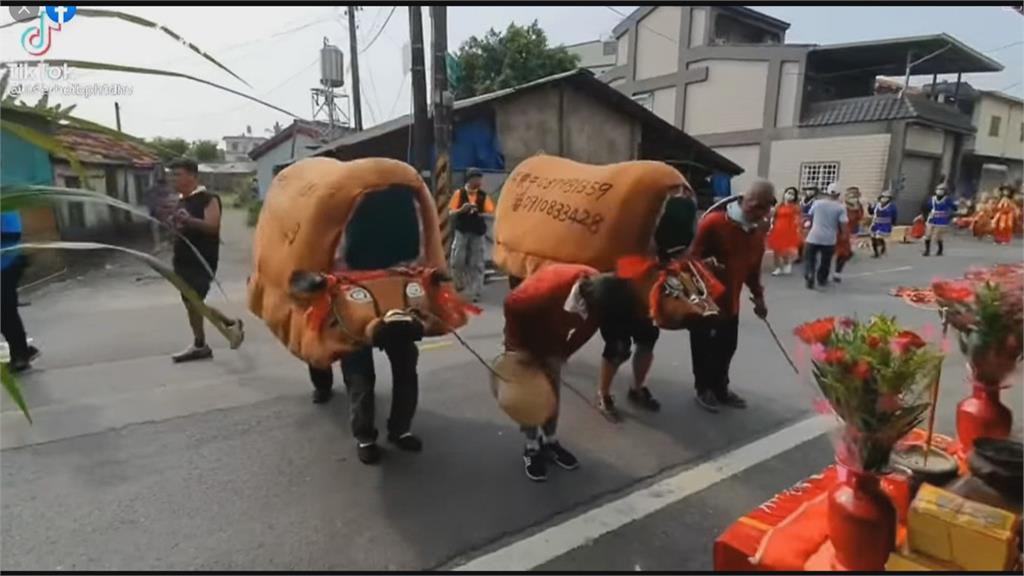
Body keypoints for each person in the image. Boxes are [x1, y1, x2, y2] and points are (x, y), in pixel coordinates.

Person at [306, 186, 427, 465]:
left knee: (404, 361)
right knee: (360, 371)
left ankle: (400, 429)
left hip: (394, 295)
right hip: (354, 298)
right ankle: (366, 436)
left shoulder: (405, 204)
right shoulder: (346, 206)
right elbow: (333, 257)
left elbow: (417, 253)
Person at [502, 263, 604, 481]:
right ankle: (531, 446)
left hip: (554, 336)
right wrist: (517, 350)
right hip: (525, 331)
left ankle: (549, 440)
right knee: (529, 393)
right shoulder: (544, 289)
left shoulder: (603, 293)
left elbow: (588, 327)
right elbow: (512, 305)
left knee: (551, 391)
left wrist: (564, 352)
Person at [686, 180, 772, 412]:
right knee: (704, 348)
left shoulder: (756, 234)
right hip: (705, 300)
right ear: (743, 200)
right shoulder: (714, 223)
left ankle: (720, 388)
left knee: (727, 347)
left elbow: (752, 271)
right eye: (755, 206)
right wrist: (707, 265)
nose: (759, 213)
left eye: (765, 208)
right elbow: (691, 258)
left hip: (730, 303)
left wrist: (759, 298)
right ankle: (703, 389)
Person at [168, 157, 244, 362]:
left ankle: (201, 344)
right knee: (191, 302)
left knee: (194, 302)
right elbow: (180, 230)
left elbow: (212, 226)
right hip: (182, 259)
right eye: (171, 174)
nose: (173, 179)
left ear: (193, 176)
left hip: (202, 259)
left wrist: (188, 220)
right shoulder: (181, 201)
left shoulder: (208, 198)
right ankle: (227, 325)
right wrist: (174, 224)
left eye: (178, 174)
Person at [1, 210, 40, 372]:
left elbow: (12, 234)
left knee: (5, 311)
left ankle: (21, 353)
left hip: (6, 264)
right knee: (5, 312)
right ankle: (22, 350)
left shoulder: (5, 204)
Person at [449, 168, 495, 302]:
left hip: (477, 232)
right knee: (458, 260)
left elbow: (491, 213)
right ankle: (459, 284)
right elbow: (450, 213)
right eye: (477, 178)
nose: (479, 181)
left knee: (477, 263)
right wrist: (461, 210)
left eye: (480, 178)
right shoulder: (459, 194)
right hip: (462, 231)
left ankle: (476, 291)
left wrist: (480, 212)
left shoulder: (483, 196)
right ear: (470, 179)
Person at [803, 183, 848, 289]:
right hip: (829, 239)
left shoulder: (817, 203)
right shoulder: (841, 208)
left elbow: (810, 216)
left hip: (814, 236)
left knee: (810, 258)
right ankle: (821, 279)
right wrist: (844, 236)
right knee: (825, 261)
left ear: (827, 192)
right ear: (839, 194)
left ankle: (810, 273)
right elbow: (843, 224)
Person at [767, 187, 801, 276]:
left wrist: (796, 229)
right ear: (784, 194)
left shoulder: (795, 207)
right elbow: (774, 217)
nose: (789, 195)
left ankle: (787, 263)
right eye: (788, 193)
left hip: (788, 230)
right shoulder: (779, 206)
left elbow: (797, 219)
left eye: (792, 194)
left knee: (785, 250)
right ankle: (777, 268)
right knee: (776, 249)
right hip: (777, 229)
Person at [923, 183, 956, 256]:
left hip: (942, 220)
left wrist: (951, 213)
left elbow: (954, 207)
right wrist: (924, 215)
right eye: (938, 189)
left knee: (937, 236)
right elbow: (926, 207)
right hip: (932, 218)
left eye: (941, 190)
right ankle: (927, 250)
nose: (939, 191)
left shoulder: (947, 199)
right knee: (927, 234)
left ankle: (940, 249)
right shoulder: (932, 199)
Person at [868, 190, 897, 258]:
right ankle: (876, 253)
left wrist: (893, 224)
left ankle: (883, 247)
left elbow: (894, 216)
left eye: (886, 197)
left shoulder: (892, 206)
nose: (884, 199)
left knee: (879, 237)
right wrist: (869, 207)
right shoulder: (877, 205)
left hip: (885, 225)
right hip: (876, 224)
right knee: (873, 238)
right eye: (883, 197)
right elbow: (871, 212)